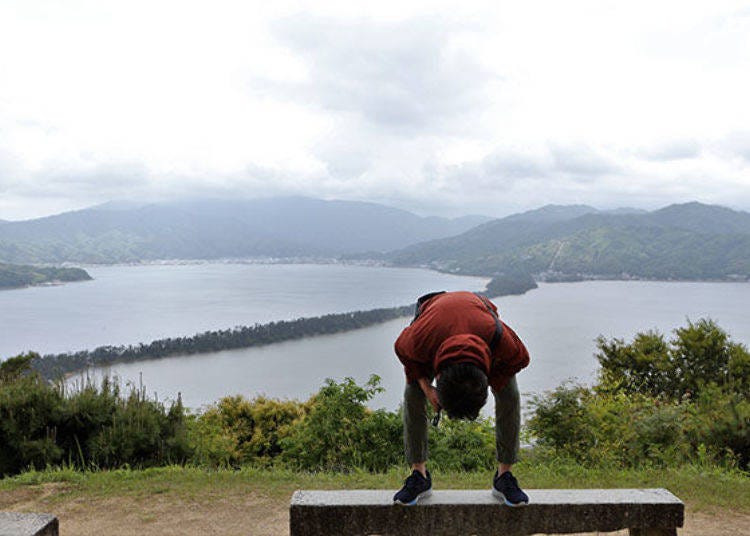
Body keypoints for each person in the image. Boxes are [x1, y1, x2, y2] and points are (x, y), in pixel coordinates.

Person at [392, 291, 530, 506]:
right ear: (439, 376)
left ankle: (504, 476)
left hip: (479, 330)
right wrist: (427, 388)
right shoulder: (420, 339)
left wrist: (496, 378)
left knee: (509, 393)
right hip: (435, 326)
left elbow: (522, 358)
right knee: (413, 393)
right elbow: (402, 351)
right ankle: (419, 475)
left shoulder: (497, 336)